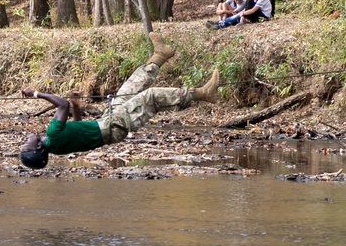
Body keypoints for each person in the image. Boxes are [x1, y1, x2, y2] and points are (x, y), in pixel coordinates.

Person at [19, 33, 218, 169]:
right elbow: (62, 105)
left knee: (131, 87)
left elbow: (79, 127)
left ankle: (160, 56)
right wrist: (35, 94)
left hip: (107, 122)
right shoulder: (52, 135)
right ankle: (202, 93)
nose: (25, 140)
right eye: (26, 145)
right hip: (112, 126)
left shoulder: (57, 146)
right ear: (38, 148)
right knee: (151, 97)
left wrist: (77, 106)